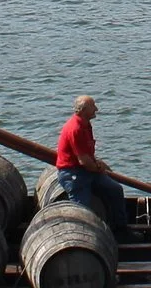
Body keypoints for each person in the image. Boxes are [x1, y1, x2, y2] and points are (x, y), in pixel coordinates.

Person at [54, 94, 131, 233]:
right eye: (93, 106)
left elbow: (87, 154)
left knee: (115, 190)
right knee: (83, 211)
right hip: (73, 173)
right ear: (83, 110)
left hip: (87, 170)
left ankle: (120, 230)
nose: (97, 109)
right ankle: (79, 234)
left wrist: (99, 164)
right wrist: (98, 167)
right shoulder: (75, 128)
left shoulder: (86, 124)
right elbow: (84, 161)